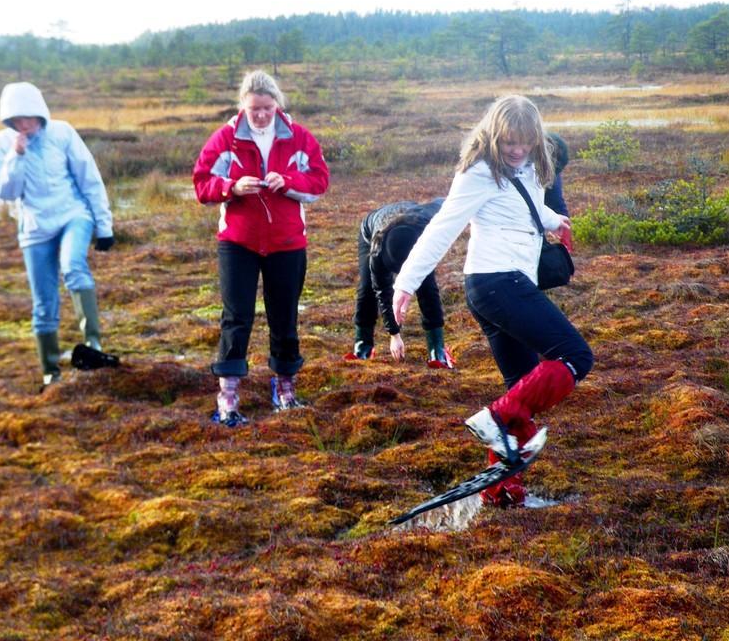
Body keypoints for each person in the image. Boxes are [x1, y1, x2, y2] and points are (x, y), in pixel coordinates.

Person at [393, 95, 593, 507]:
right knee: (575, 356)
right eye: (508, 143)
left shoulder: (532, 166)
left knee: (522, 387)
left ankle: (503, 490)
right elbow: (442, 227)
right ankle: (496, 418)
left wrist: (557, 222)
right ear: (491, 137)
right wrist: (406, 283)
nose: (517, 150)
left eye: (524, 142)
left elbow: (530, 206)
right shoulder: (480, 173)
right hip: (496, 283)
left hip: (502, 285)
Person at [193, 70, 329, 427]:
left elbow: (319, 182)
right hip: (238, 243)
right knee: (236, 317)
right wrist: (231, 187)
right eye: (254, 109)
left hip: (287, 243)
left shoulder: (298, 138)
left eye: (267, 108)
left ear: (277, 105)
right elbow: (202, 183)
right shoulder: (226, 138)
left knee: (285, 316)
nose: (261, 115)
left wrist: (289, 182)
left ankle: (285, 390)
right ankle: (228, 398)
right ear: (243, 106)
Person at [0, 82, 118, 391]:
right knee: (44, 303)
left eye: (29, 117)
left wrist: (104, 226)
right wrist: (16, 156)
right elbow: (6, 192)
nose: (25, 124)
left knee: (73, 265)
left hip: (73, 215)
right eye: (17, 120)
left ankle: (94, 347)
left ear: (40, 112)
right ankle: (50, 373)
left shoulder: (62, 133)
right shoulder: (0, 144)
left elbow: (89, 178)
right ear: (8, 120)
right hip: (34, 229)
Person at [347, 198, 453, 367]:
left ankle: (437, 349)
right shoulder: (377, 250)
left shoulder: (427, 223)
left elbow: (450, 200)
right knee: (367, 288)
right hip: (373, 228)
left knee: (427, 289)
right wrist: (394, 334)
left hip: (414, 229)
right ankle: (363, 345)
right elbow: (382, 291)